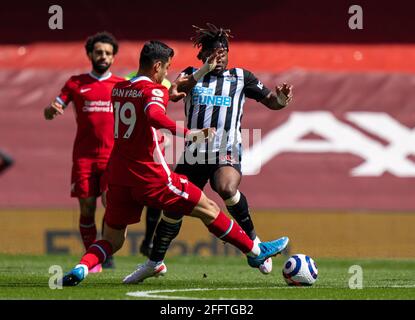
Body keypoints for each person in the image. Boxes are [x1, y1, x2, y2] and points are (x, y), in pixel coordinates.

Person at [60, 40, 289, 286]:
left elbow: (153, 103)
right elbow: (155, 115)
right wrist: (190, 133)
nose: (167, 74)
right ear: (157, 66)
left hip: (118, 177)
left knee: (113, 239)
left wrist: (198, 75)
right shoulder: (154, 91)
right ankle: (256, 252)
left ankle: (82, 268)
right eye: (166, 68)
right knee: (209, 208)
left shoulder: (119, 89)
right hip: (149, 174)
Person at [139, 23, 293, 280]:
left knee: (226, 188)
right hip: (194, 153)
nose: (219, 57)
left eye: (223, 52)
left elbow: (271, 102)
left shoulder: (241, 78)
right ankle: (154, 261)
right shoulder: (191, 75)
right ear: (202, 55)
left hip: (226, 151)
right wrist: (203, 70)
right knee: (174, 207)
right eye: (213, 53)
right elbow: (174, 93)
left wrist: (281, 100)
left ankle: (254, 244)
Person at [44, 32, 123, 272]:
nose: (103, 56)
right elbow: (52, 109)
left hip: (113, 158)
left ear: (113, 57)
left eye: (108, 53)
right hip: (85, 158)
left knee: (111, 206)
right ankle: (92, 258)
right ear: (90, 54)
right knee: (87, 207)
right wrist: (51, 110)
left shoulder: (120, 85)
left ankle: (103, 253)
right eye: (99, 52)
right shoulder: (75, 83)